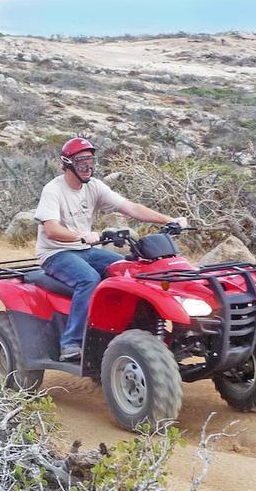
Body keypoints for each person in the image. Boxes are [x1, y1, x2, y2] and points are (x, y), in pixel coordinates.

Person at [34, 137, 188, 361]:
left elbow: (131, 208)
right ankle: (71, 342)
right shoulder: (54, 190)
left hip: (84, 249)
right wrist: (81, 236)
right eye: (81, 161)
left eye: (90, 160)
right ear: (67, 164)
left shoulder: (94, 186)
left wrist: (169, 220)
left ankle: (126, 330)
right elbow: (51, 229)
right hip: (56, 253)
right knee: (88, 279)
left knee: (129, 269)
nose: (87, 166)